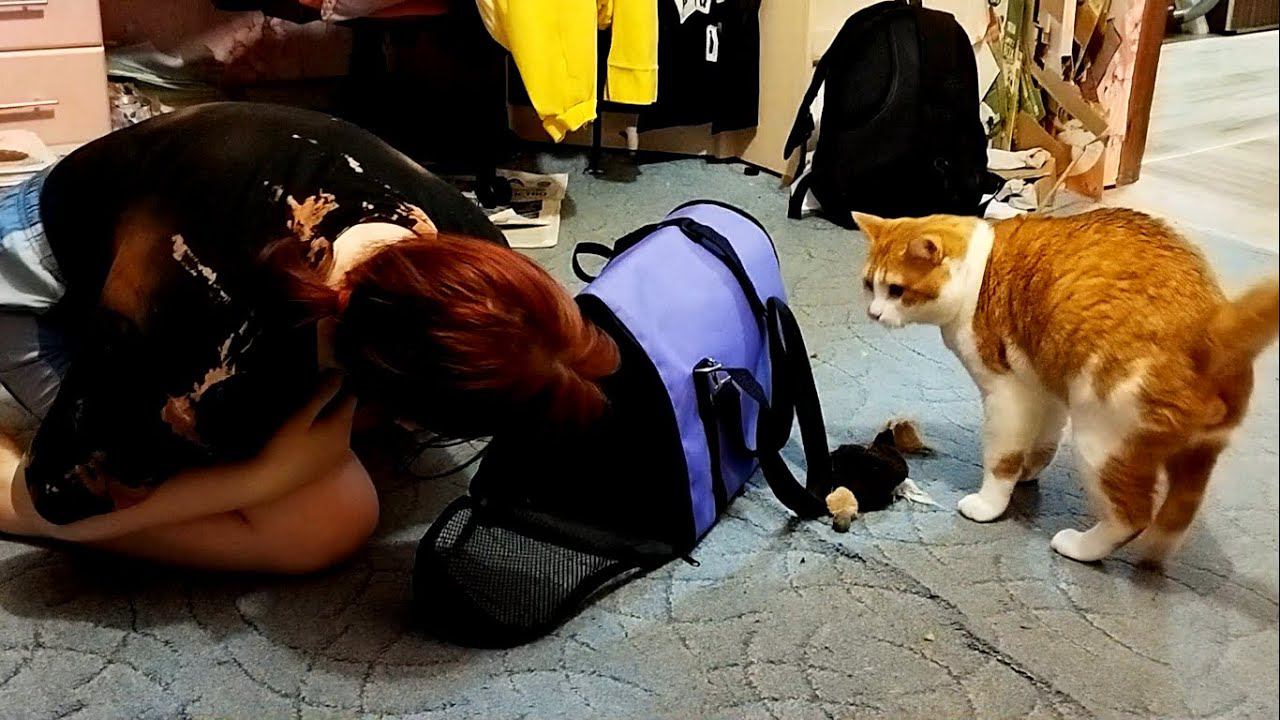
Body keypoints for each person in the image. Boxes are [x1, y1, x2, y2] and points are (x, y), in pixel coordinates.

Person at [0, 103, 618, 572]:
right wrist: (266, 476)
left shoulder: (469, 247)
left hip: (165, 206)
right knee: (321, 525)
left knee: (330, 485)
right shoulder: (207, 341)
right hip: (42, 284)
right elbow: (52, 498)